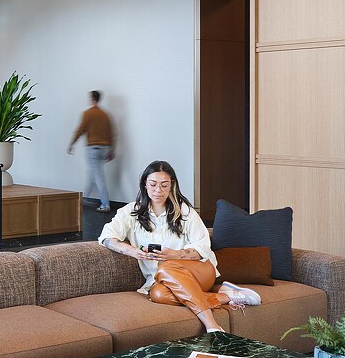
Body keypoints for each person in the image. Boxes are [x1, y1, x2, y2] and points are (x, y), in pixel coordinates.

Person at [98, 161, 262, 333]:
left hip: (200, 271)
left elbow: (203, 247)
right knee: (158, 294)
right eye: (153, 184)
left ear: (172, 185)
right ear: (145, 184)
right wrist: (132, 251)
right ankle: (226, 295)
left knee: (167, 267)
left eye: (164, 185)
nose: (158, 190)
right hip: (161, 279)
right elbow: (106, 237)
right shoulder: (131, 212)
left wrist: (175, 254)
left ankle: (212, 325)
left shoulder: (185, 212)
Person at [67, 90, 115, 212]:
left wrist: (72, 143)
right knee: (93, 174)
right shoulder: (105, 115)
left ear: (92, 99)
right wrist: (111, 150)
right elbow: (111, 133)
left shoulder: (88, 114)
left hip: (93, 148)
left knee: (98, 176)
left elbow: (80, 130)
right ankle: (83, 199)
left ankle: (105, 204)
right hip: (104, 148)